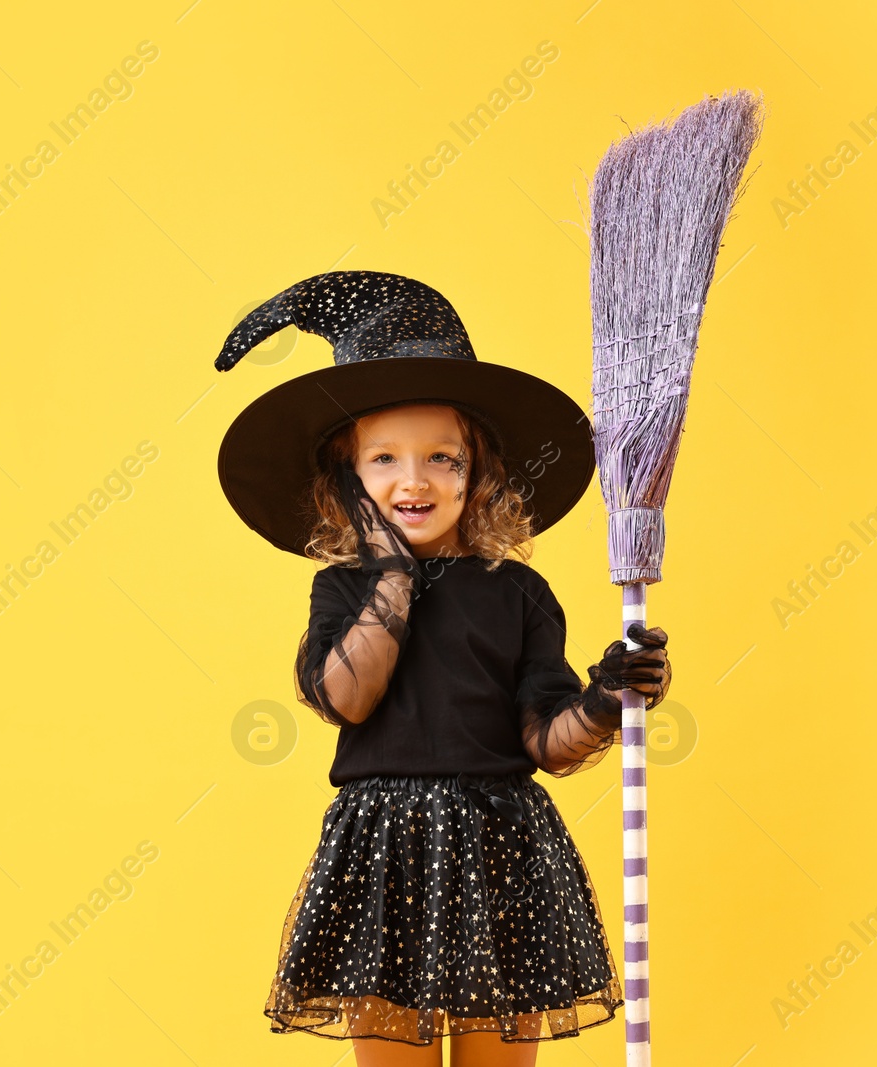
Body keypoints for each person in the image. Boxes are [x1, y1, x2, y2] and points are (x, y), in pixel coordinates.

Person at [213, 270, 671, 1066]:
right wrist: (390, 571)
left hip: (504, 851)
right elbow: (348, 698)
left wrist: (607, 695)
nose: (413, 479)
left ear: (478, 471)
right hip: (382, 854)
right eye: (383, 458)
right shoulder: (343, 589)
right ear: (348, 480)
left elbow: (546, 739)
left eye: (441, 458)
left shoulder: (517, 592)